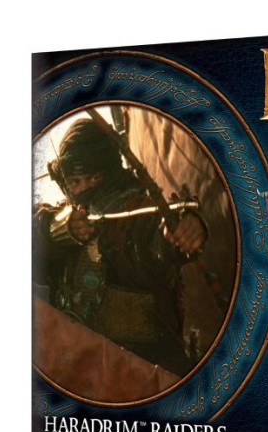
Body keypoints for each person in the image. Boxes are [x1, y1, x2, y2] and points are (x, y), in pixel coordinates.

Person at [33, 118, 207, 375]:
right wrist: (54, 229)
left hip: (142, 368)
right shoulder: (63, 215)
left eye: (93, 178)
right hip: (75, 366)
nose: (84, 189)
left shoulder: (135, 210)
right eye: (75, 182)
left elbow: (154, 240)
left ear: (110, 171)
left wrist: (178, 232)